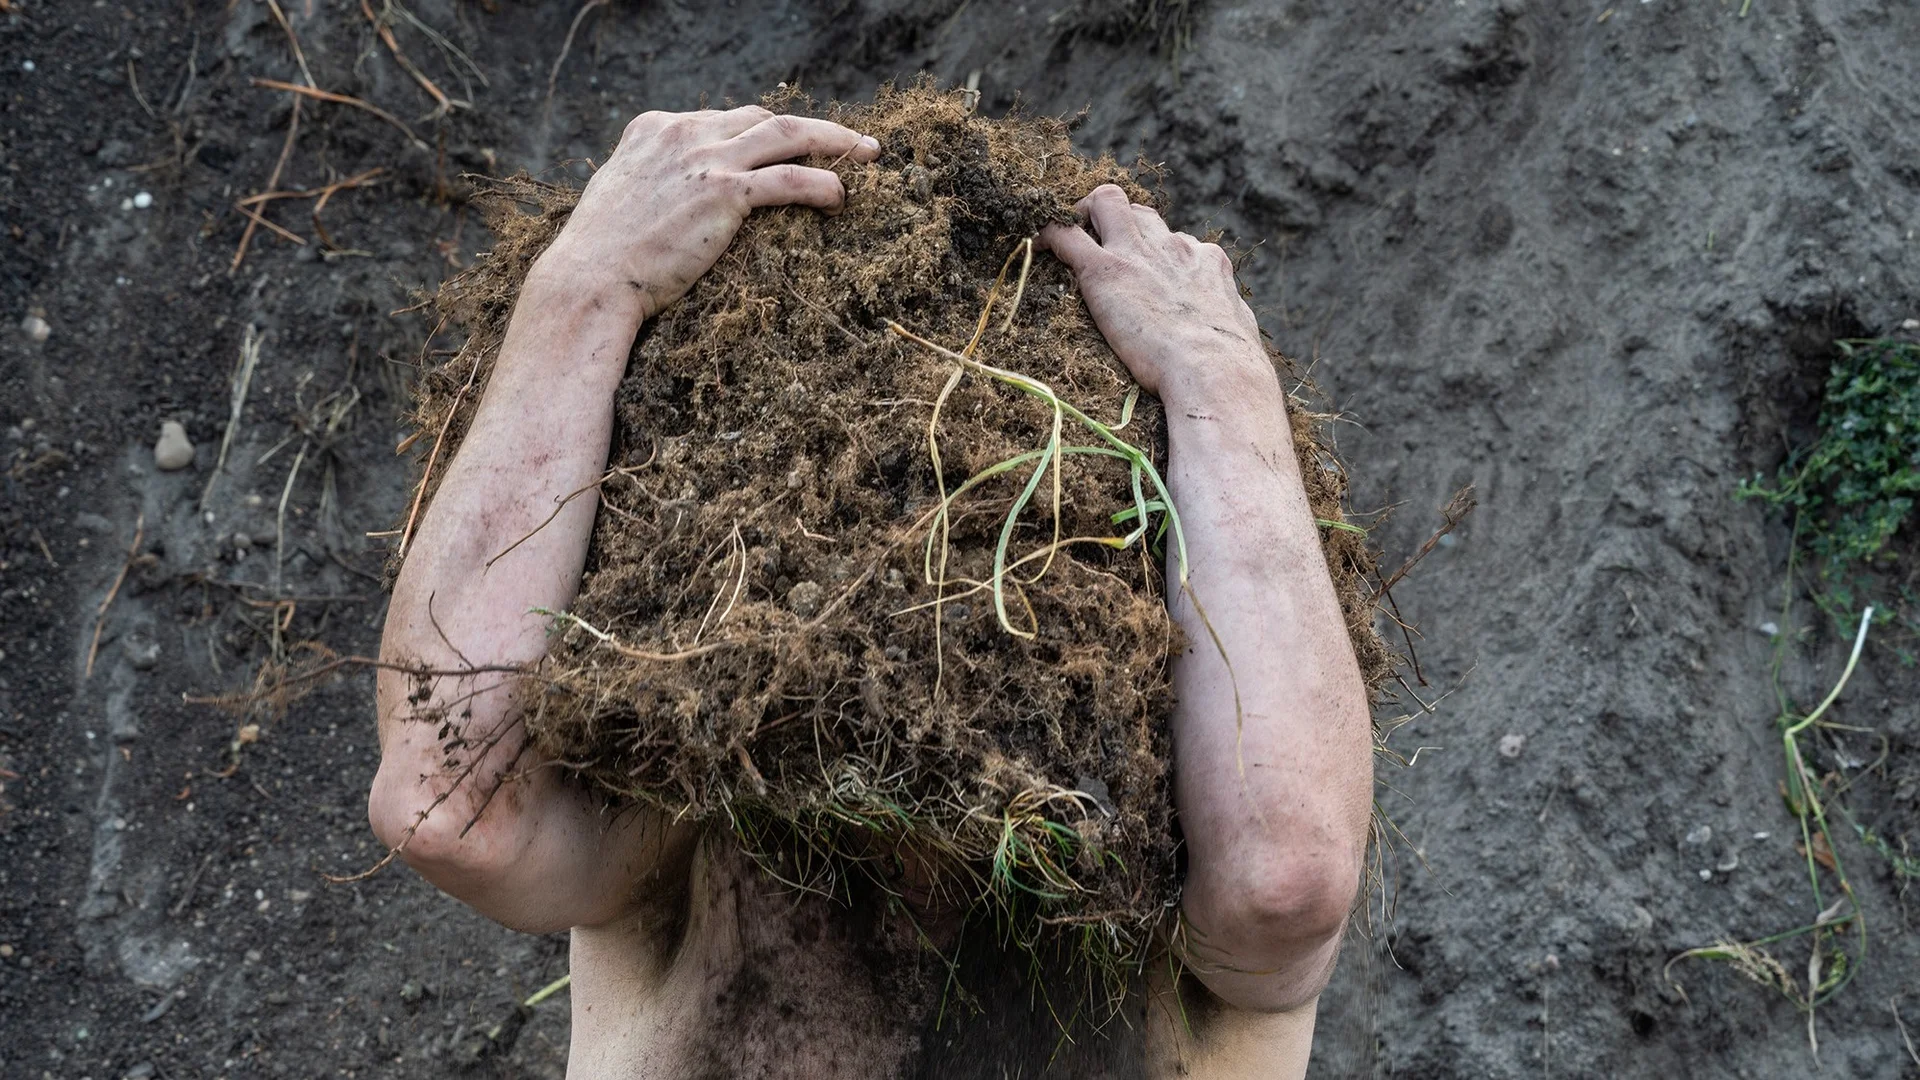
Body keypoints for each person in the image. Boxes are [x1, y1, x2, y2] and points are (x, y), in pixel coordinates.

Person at [367, 105, 1372, 1079]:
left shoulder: (1155, 836)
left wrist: (1215, 376)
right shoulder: (700, 802)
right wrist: (585, 289)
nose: (924, 563)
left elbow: (1282, 880)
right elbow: (455, 804)